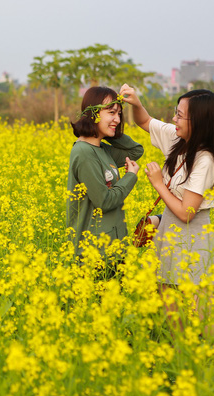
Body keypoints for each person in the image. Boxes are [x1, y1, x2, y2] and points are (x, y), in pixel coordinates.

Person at [119, 84, 214, 374]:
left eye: (180, 115)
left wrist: (158, 183)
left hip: (193, 242)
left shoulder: (205, 160)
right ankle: (188, 372)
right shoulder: (178, 140)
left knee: (202, 319)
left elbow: (187, 212)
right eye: (175, 113)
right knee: (173, 316)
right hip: (169, 238)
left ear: (198, 121)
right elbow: (144, 122)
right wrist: (135, 102)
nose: (174, 119)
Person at [66, 86, 143, 275]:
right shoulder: (84, 153)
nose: (117, 119)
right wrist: (130, 177)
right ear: (93, 113)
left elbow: (136, 151)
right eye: (111, 113)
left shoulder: (103, 150)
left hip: (113, 249)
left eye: (119, 114)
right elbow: (104, 201)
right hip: (94, 254)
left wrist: (112, 130)